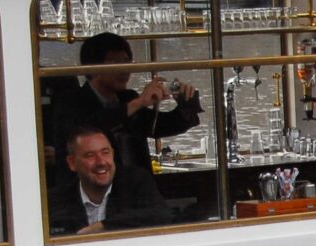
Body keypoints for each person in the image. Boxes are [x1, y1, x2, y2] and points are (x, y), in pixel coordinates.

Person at [47, 32, 201, 173]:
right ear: (93, 67)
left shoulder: (127, 97)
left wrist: (185, 104)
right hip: (93, 189)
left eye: (127, 62)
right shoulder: (70, 102)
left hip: (138, 187)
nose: (125, 70)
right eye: (115, 63)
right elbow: (88, 130)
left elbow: (157, 127)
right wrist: (138, 103)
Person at [47, 124, 169, 235]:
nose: (101, 162)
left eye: (105, 153)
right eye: (90, 155)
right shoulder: (56, 199)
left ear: (113, 154)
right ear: (72, 163)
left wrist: (104, 227)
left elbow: (161, 215)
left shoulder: (136, 181)